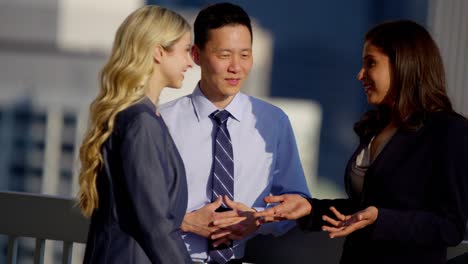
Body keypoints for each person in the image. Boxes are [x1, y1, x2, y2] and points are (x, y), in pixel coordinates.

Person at [255, 20, 468, 264]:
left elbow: (450, 226)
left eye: (371, 63)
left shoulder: (448, 130)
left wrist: (381, 219)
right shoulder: (377, 126)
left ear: (403, 65)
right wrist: (309, 209)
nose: (360, 75)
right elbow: (361, 210)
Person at [159, 2, 310, 263]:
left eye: (245, 55)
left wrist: (259, 219)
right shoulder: (162, 121)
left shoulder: (273, 122)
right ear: (196, 55)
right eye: (224, 55)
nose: (236, 67)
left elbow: (296, 200)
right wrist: (185, 222)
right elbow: (133, 202)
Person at [77, 6, 193, 263]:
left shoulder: (137, 116)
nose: (190, 61)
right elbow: (155, 224)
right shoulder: (141, 122)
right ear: (158, 52)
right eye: (186, 49)